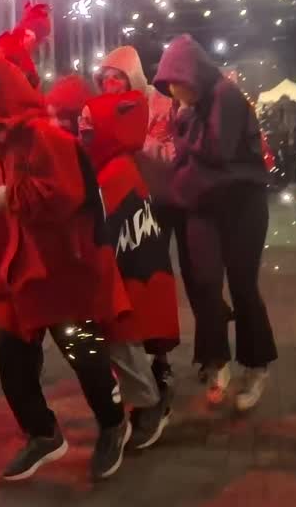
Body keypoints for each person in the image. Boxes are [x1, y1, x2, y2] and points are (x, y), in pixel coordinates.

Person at [0, 49, 131, 482]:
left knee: (86, 356)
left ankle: (113, 423)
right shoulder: (3, 144)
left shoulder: (47, 140)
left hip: (61, 276)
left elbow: (62, 195)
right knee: (10, 358)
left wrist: (7, 198)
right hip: (21, 278)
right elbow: (2, 188)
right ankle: (44, 434)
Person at [153, 34, 276, 410]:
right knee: (204, 283)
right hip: (203, 203)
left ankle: (255, 366)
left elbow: (216, 150)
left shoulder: (225, 95)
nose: (173, 92)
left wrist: (181, 133)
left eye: (177, 82)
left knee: (242, 285)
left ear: (194, 74)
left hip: (241, 204)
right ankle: (216, 359)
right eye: (168, 84)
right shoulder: (192, 104)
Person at [80, 90, 179, 450]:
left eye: (89, 129)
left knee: (119, 345)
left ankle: (150, 402)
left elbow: (99, 227)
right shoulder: (117, 166)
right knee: (114, 345)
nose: (82, 135)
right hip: (130, 278)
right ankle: (143, 399)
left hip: (127, 281)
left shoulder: (115, 172)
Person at [97, 45, 180, 396]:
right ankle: (134, 360)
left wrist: (136, 141)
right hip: (122, 202)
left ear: (132, 76)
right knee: (129, 284)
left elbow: (173, 154)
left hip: (158, 201)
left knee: (154, 281)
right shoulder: (105, 108)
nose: (110, 85)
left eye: (117, 77)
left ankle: (159, 359)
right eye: (105, 79)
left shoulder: (161, 105)